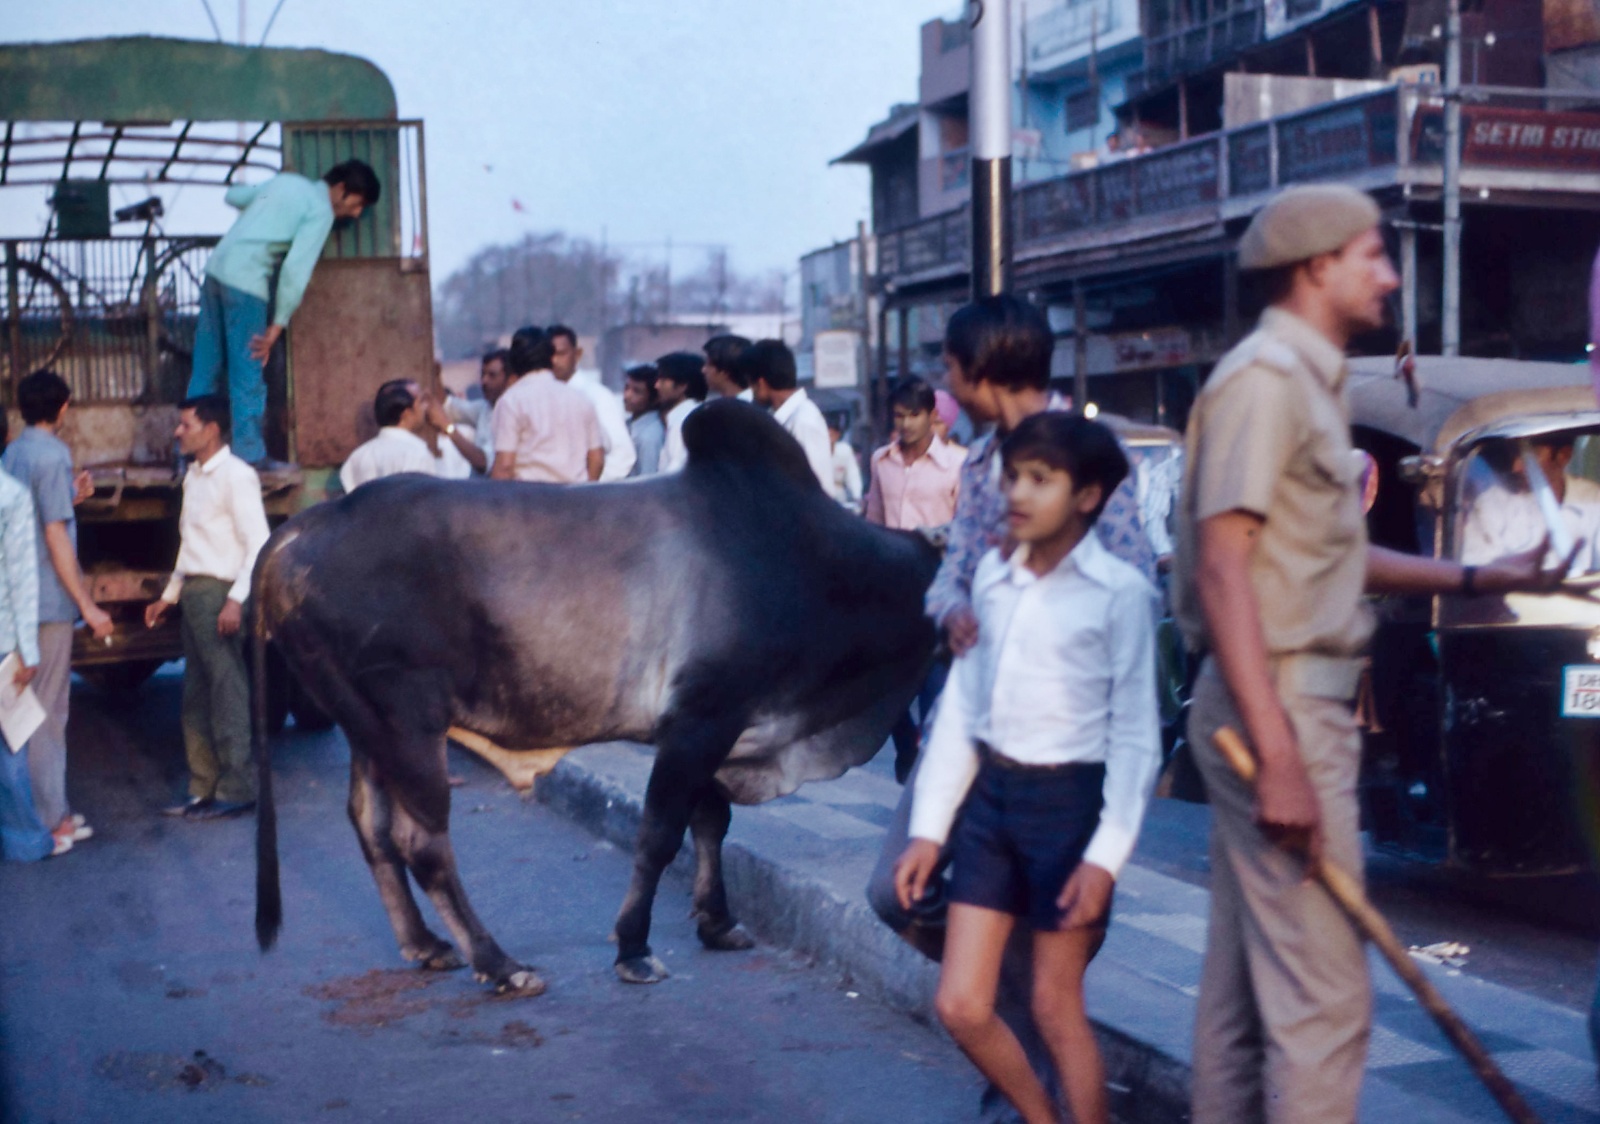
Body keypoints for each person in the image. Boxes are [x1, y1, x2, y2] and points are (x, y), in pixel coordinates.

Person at [1175, 183, 1573, 1124]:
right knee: (1326, 1004)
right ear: (1318, 268)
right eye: (1372, 255)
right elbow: (1225, 568)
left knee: (1242, 1006)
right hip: (1275, 708)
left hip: (1270, 703)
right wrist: (1279, 754)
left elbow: (1334, 557)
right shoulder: (1267, 381)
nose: (1389, 276)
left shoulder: (1302, 383)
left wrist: (1483, 576)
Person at [866, 294, 1153, 1123]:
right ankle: (1030, 1073)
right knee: (899, 896)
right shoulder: (982, 465)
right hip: (979, 747)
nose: (944, 382)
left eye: (951, 368)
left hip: (1064, 762)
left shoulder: (1090, 458)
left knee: (1052, 985)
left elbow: (1132, 586)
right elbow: (955, 576)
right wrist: (957, 608)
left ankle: (1033, 1096)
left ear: (980, 370)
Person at [187, 160, 380, 466]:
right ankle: (250, 455)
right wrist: (278, 325)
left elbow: (234, 195)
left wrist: (268, 197)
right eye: (357, 204)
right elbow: (294, 272)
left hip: (215, 272)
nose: (356, 214)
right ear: (341, 189)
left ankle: (188, 452)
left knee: (205, 367)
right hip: (246, 282)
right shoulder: (320, 211)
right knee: (247, 371)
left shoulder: (284, 183)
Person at [144, 395, 271, 821]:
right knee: (195, 697)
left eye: (186, 425)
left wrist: (236, 599)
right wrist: (169, 595)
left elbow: (258, 543)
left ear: (212, 429)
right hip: (196, 594)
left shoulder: (237, 476)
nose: (178, 432)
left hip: (221, 594)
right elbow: (189, 544)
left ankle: (237, 788)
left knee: (226, 691)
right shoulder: (194, 477)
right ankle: (203, 787)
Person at [3, 369, 113, 849]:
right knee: (48, 711)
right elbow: (53, 534)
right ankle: (51, 821)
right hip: (47, 601)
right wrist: (87, 604)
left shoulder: (13, 453)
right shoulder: (53, 455)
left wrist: (71, 496)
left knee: (19, 712)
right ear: (63, 408)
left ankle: (36, 813)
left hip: (15, 599)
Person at [0, 406, 58, 861]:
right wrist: (28, 649)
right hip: (3, 643)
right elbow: (21, 578)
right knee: (10, 748)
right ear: (6, 436)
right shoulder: (11, 496)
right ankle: (24, 840)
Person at [1461, 434, 1600, 573]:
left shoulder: (1593, 499)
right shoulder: (1490, 505)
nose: (1516, 467)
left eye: (1532, 456)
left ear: (1564, 456)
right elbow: (1476, 571)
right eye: (1515, 454)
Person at [489, 327, 603, 483]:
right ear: (550, 358)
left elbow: (504, 466)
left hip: (528, 495)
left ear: (513, 361)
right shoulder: (581, 399)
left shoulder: (511, 401)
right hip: (575, 494)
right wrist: (584, 490)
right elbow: (597, 458)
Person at [865, 377, 965, 531]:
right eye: (899, 416)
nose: (906, 424)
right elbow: (875, 521)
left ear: (932, 416)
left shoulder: (957, 464)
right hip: (892, 546)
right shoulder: (881, 460)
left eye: (915, 415)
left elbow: (966, 525)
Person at [744, 339, 833, 490]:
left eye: (751, 386)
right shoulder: (779, 418)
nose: (751, 393)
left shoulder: (804, 420)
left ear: (761, 384)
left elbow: (816, 486)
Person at [550, 324, 636, 481]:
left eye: (561, 354)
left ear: (577, 354)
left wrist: (589, 484)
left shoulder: (596, 396)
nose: (554, 361)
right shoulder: (543, 396)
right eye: (549, 355)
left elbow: (623, 455)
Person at [339, 379, 439, 492]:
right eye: (420, 404)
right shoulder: (417, 452)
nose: (424, 409)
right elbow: (425, 496)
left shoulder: (358, 456)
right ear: (406, 414)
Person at [444, 349, 511, 474]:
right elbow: (448, 405)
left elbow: (483, 462)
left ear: (510, 379)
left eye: (492, 375)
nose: (484, 381)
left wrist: (447, 427)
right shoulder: (484, 408)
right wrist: (435, 376)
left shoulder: (509, 413)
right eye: (483, 375)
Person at [656, 352, 708, 474]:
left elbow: (675, 470)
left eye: (663, 380)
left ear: (682, 386)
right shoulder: (685, 415)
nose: (657, 385)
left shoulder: (683, 420)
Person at [623, 365, 666, 477]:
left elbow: (648, 478)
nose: (627, 396)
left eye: (636, 391)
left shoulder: (650, 435)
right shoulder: (629, 425)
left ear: (655, 398)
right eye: (626, 388)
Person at [828, 419, 864, 513]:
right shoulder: (814, 451)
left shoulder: (845, 450)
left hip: (840, 495)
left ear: (837, 435)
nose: (829, 437)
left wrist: (857, 496)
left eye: (832, 434)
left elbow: (853, 475)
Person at [703, 334, 753, 401]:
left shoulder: (751, 404)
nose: (703, 370)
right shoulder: (718, 403)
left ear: (724, 371)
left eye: (709, 364)